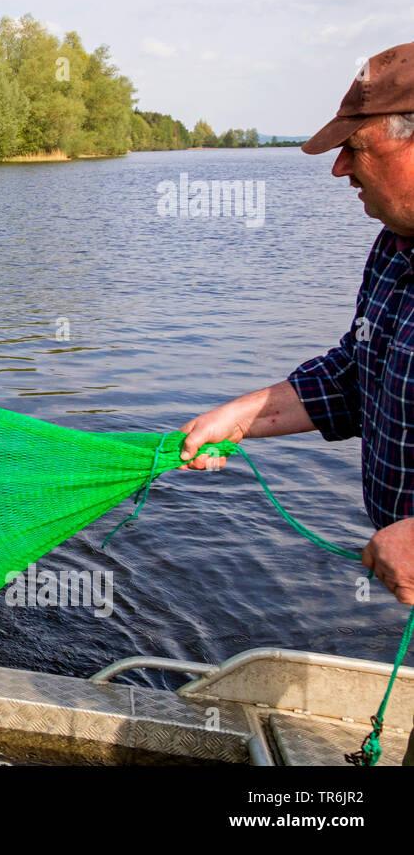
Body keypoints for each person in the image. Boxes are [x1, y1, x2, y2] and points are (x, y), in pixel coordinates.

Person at [178, 42, 414, 764]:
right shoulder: (394, 250)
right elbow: (352, 375)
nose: (340, 169)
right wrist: (239, 418)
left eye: (355, 147)